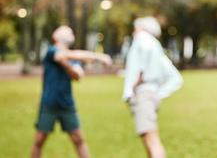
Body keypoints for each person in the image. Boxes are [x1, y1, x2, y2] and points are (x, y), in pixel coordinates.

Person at [31, 26, 112, 158]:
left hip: (67, 104)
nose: (71, 31)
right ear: (56, 36)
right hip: (49, 103)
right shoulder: (52, 50)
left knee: (79, 140)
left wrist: (66, 64)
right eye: (67, 30)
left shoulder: (71, 57)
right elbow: (62, 55)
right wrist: (99, 56)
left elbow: (77, 76)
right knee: (39, 140)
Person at [123, 17, 183, 158]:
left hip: (143, 94)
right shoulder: (155, 45)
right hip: (151, 94)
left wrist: (134, 85)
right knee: (149, 139)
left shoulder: (142, 40)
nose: (133, 32)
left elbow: (140, 69)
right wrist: (159, 93)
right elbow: (175, 77)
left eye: (135, 28)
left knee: (152, 140)